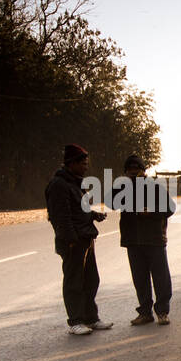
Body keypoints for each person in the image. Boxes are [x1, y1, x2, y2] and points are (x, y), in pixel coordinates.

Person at [45, 143, 111, 335]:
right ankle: (75, 321)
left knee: (91, 280)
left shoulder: (75, 183)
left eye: (86, 163)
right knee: (74, 281)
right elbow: (60, 217)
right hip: (73, 242)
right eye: (82, 163)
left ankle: (91, 318)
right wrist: (71, 240)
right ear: (71, 163)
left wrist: (93, 216)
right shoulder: (59, 185)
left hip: (86, 238)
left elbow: (79, 210)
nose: (85, 167)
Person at [113, 154, 174, 325]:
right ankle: (145, 312)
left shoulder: (154, 187)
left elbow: (170, 209)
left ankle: (162, 312)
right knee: (140, 279)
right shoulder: (123, 188)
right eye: (129, 170)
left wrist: (151, 212)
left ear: (143, 171)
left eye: (136, 169)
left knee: (161, 278)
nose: (133, 173)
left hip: (154, 239)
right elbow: (111, 203)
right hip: (133, 241)